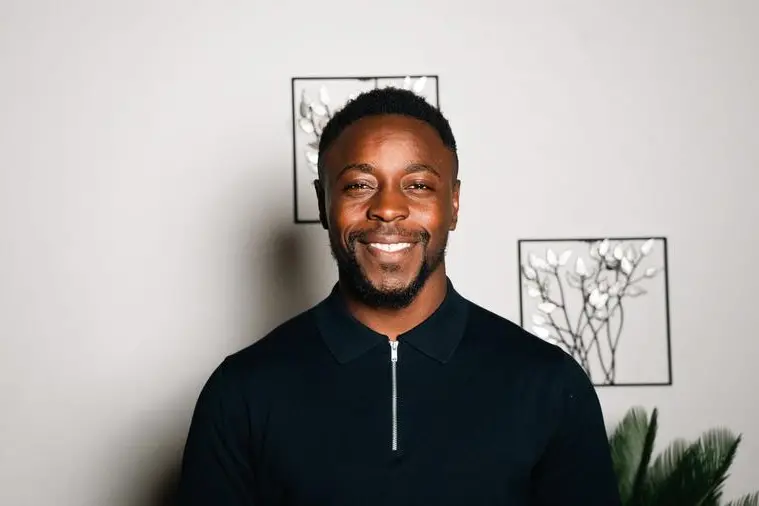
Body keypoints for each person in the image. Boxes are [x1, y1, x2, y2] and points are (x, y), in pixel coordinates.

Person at [176, 87, 621, 506]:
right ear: (322, 203)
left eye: (418, 185)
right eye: (359, 185)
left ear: (454, 203)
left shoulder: (550, 385)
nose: (388, 208)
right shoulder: (241, 393)